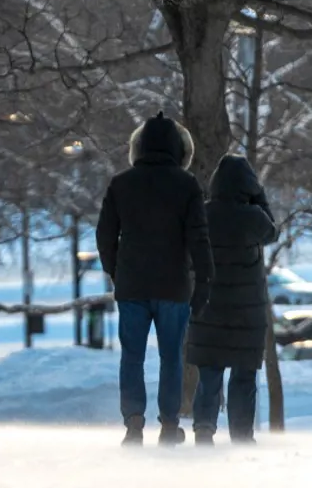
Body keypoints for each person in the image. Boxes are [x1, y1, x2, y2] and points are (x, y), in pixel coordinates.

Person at [96, 112, 213, 446]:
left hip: (132, 284)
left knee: (132, 356)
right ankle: (169, 425)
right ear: (179, 149)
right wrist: (204, 280)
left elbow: (105, 235)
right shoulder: (187, 185)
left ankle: (134, 423)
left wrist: (116, 271)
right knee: (171, 357)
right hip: (173, 285)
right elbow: (198, 238)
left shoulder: (121, 183)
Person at [185, 155, 279, 445]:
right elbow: (272, 232)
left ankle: (204, 429)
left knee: (209, 375)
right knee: (243, 376)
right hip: (246, 314)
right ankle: (241, 436)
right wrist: (259, 197)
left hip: (208, 310)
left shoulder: (202, 214)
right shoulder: (253, 217)